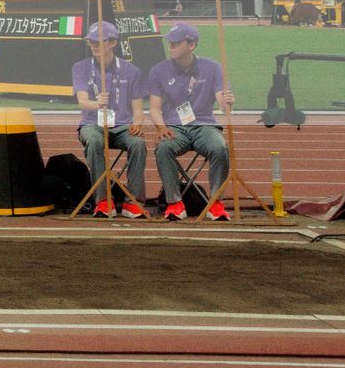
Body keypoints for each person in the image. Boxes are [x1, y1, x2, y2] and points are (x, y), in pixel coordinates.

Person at [146, 22, 235, 220]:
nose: (171, 46)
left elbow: (223, 102)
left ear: (191, 45)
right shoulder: (158, 71)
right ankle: (175, 203)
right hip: (174, 127)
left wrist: (228, 102)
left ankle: (215, 203)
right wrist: (161, 128)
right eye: (170, 42)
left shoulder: (212, 68)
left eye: (176, 43)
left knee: (220, 148)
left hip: (204, 126)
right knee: (163, 148)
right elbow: (153, 108)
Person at [72, 21, 148, 217]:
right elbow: (82, 101)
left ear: (113, 42)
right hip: (92, 124)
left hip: (122, 126)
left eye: (99, 41)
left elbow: (138, 109)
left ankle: (133, 200)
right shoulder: (80, 67)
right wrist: (97, 103)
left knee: (138, 143)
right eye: (91, 42)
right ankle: (103, 200)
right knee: (95, 141)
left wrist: (137, 125)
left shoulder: (132, 71)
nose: (94, 46)